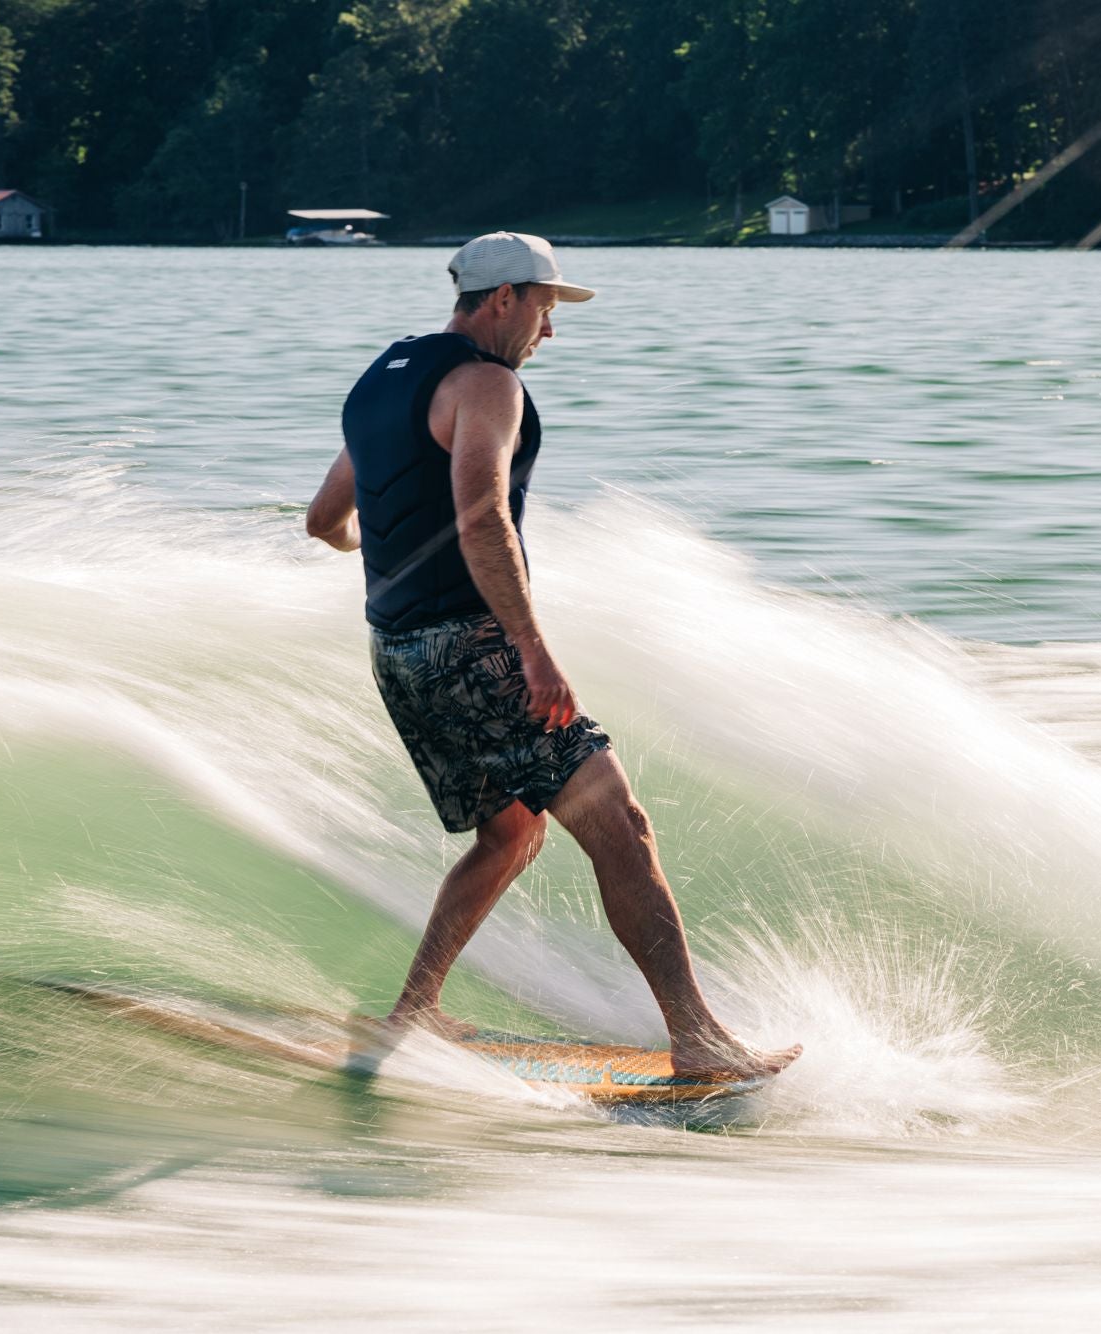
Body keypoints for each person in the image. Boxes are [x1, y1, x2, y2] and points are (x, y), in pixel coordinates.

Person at [305, 232, 798, 1080]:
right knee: (621, 824)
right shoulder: (489, 383)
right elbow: (481, 515)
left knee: (511, 833)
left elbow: (325, 522)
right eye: (545, 308)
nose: (549, 332)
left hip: (396, 651)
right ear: (503, 299)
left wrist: (387, 549)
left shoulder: (383, 377)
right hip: (474, 648)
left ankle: (414, 1013)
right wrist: (531, 649)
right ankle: (701, 1043)